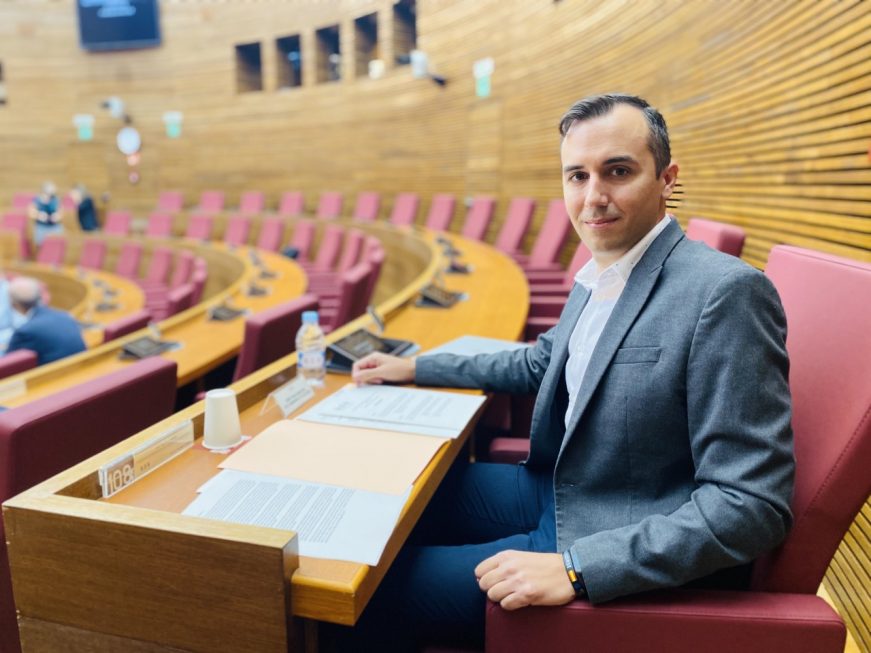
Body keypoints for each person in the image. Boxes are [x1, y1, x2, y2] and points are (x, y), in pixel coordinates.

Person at [342, 94, 794, 651]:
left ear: (666, 179)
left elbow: (752, 505)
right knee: (380, 508)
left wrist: (579, 568)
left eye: (618, 172)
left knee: (364, 594)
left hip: (608, 537)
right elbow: (540, 360)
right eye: (576, 176)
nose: (593, 198)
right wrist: (415, 365)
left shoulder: (724, 294)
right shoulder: (603, 270)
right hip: (561, 487)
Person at [6, 276, 86, 365]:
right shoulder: (65, 316)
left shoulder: (25, 331)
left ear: (13, 304)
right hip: (79, 370)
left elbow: (8, 364)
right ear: (39, 297)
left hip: (52, 376)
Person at [27, 181, 64, 246]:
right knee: (40, 243)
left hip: (54, 226)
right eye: (47, 193)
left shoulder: (55, 199)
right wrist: (39, 215)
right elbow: (31, 213)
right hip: (41, 226)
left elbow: (61, 212)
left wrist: (57, 216)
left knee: (58, 241)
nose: (49, 196)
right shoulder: (37, 200)